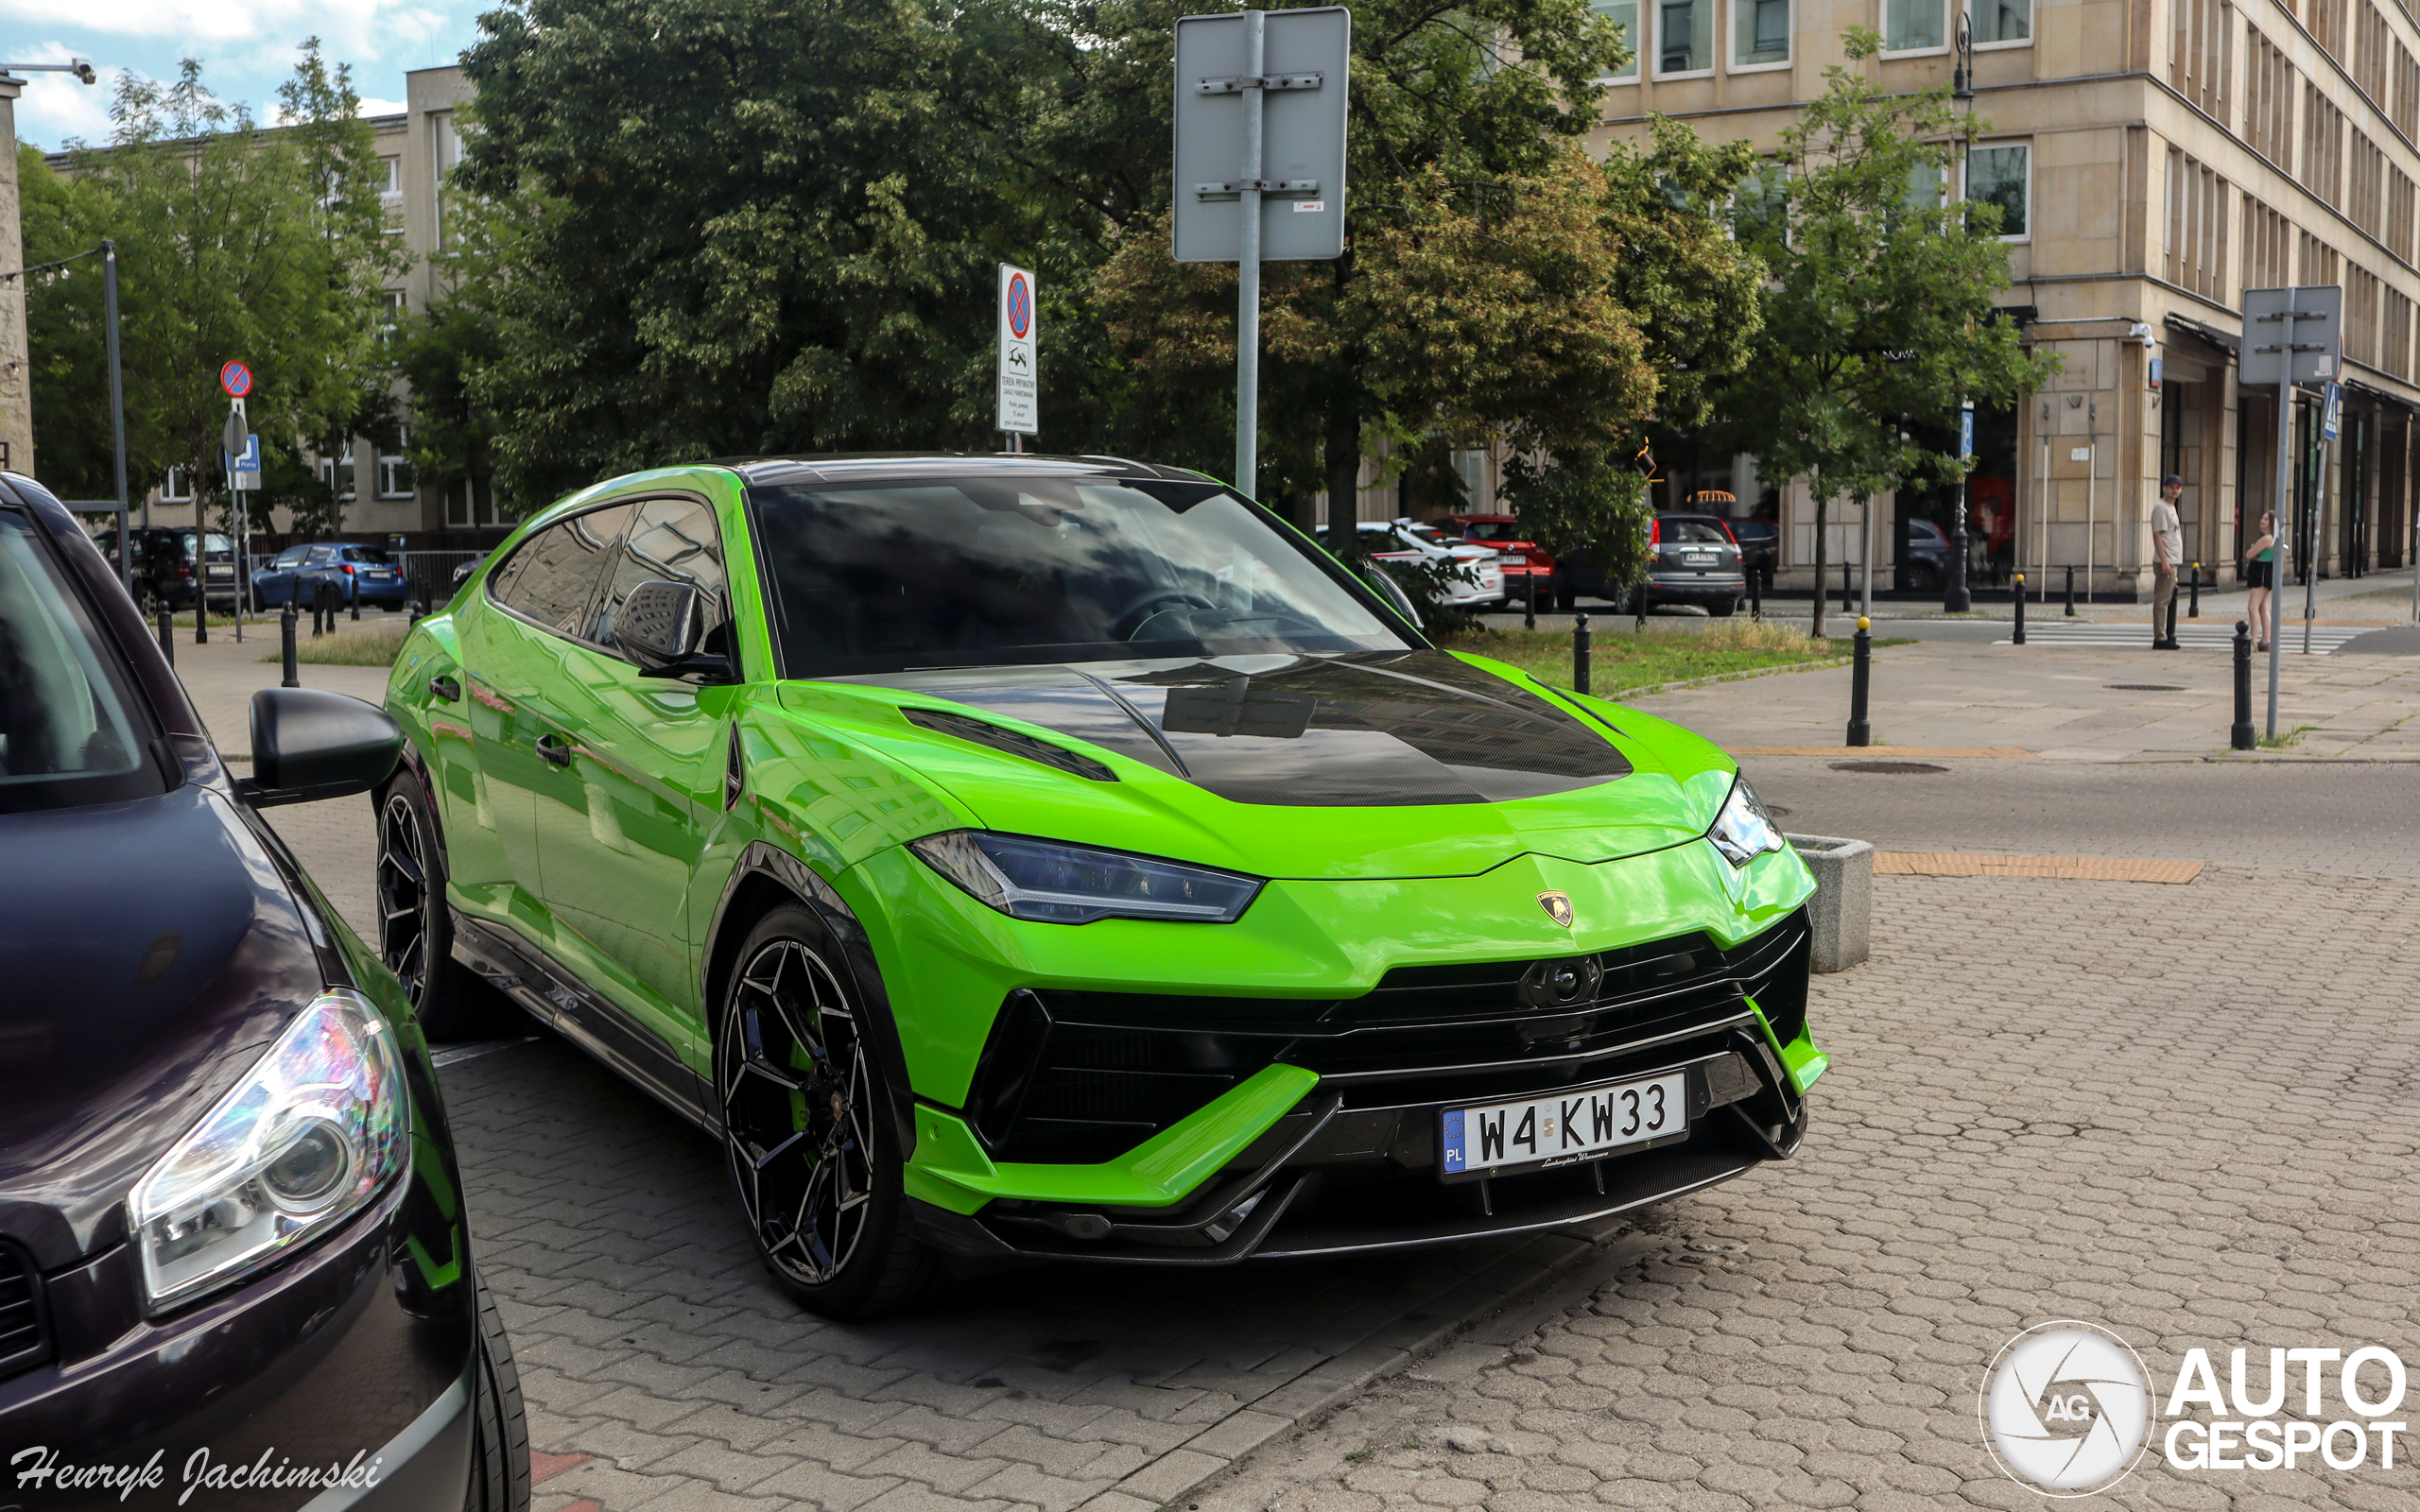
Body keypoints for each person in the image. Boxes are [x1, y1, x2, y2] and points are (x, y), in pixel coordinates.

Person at [2150, 473, 2184, 649]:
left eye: (2178, 487)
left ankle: (2165, 635)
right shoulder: (2161, 508)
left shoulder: (2170, 507)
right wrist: (2164, 561)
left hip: (2172, 559)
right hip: (2167, 560)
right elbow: (2158, 535)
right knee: (2162, 600)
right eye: (2172, 487)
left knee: (2167, 599)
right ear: (2164, 488)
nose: (2175, 490)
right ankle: (2160, 637)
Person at [2243, 509, 2276, 651]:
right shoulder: (2273, 538)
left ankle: (2253, 640)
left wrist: (2253, 551)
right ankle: (2266, 640)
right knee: (2263, 607)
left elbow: (2250, 554)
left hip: (2261, 571)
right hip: (2267, 571)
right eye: (2262, 518)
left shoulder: (2266, 539)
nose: (2262, 521)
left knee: (2253, 607)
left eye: (2266, 519)